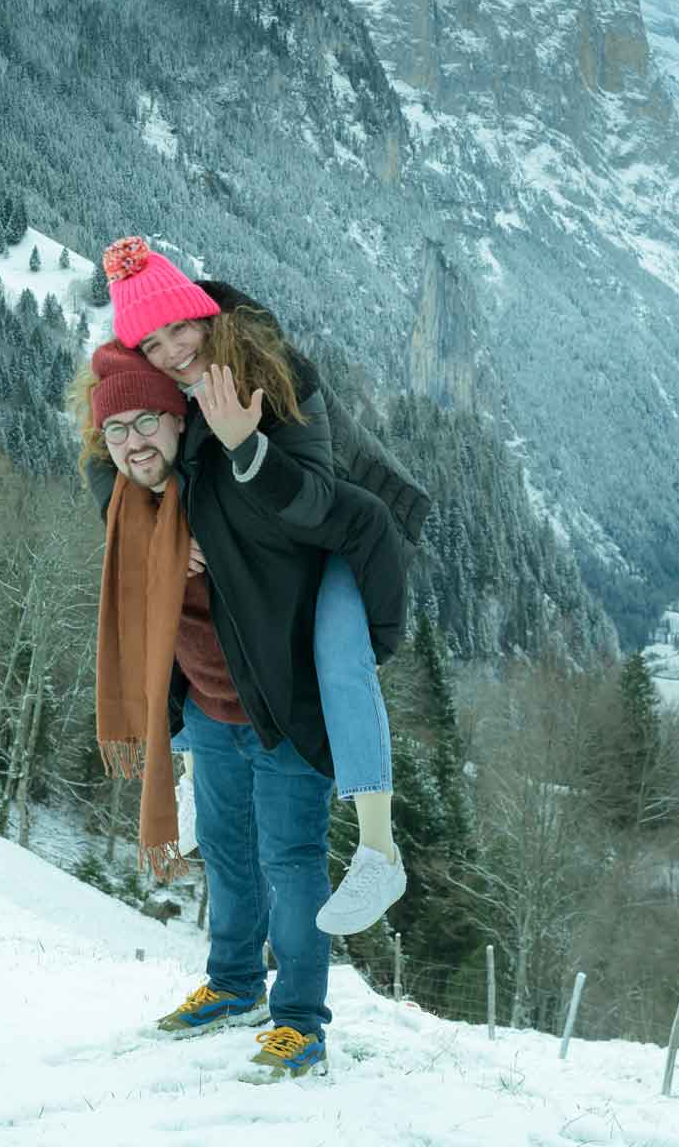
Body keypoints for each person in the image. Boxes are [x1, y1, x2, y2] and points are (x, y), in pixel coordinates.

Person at [98, 236, 428, 941]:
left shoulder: (274, 369)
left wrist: (246, 445)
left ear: (205, 315)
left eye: (179, 329)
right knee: (183, 620)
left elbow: (316, 502)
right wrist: (159, 527)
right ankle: (191, 766)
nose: (171, 352)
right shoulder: (150, 375)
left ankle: (379, 849)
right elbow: (105, 451)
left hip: (335, 533)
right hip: (253, 548)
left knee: (338, 653)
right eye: (150, 343)